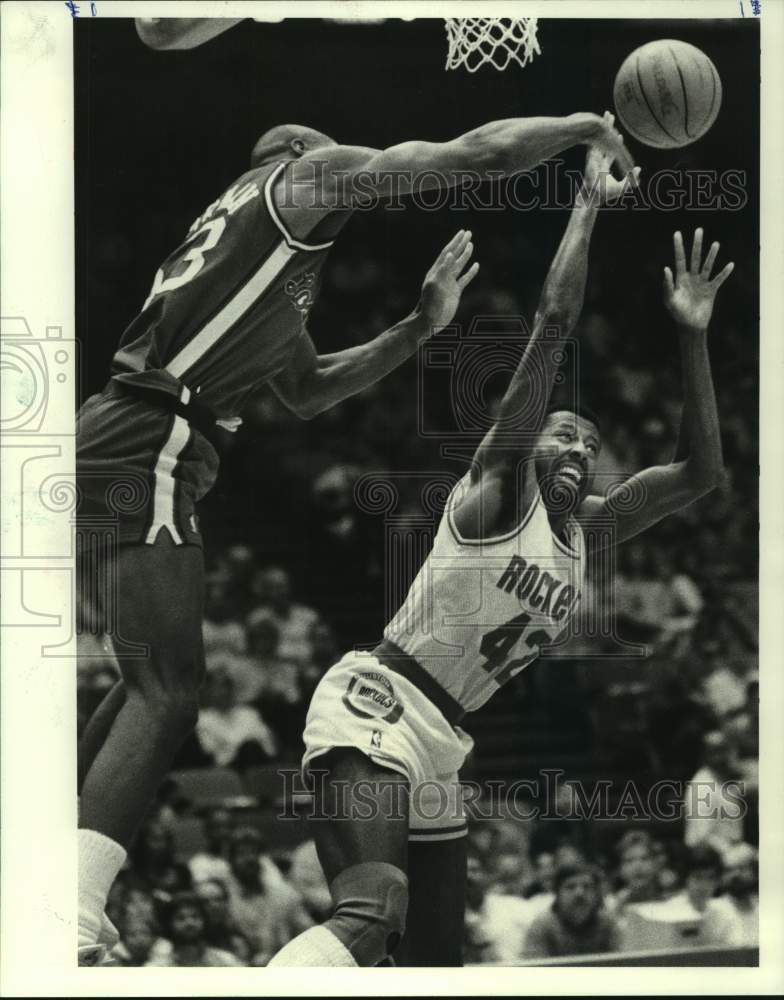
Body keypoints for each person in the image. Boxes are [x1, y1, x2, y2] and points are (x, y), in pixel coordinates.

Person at [76, 102, 634, 961]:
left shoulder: (259, 271)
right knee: (171, 693)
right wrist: (581, 129)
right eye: (331, 146)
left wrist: (418, 327)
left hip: (138, 438)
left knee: (144, 678)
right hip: (152, 437)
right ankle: (70, 905)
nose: (348, 155)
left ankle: (57, 858)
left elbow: (306, 391)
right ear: (297, 154)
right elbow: (470, 155)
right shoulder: (300, 177)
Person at [270, 131, 732, 967]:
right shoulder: (500, 487)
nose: (579, 449)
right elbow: (554, 324)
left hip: (444, 739)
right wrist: (586, 203)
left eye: (591, 445)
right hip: (378, 702)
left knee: (436, 965)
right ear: (531, 445)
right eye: (564, 434)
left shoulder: (587, 532)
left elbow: (701, 473)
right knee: (374, 914)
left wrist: (692, 334)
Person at [523, 862, 622, 959]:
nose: (579, 893)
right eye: (570, 887)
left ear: (597, 894)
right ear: (557, 894)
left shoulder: (608, 924)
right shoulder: (542, 926)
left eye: (587, 887)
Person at [146, 892, 241, 967]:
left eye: (195, 917)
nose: (189, 923)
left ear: (205, 921)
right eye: (181, 918)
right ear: (169, 925)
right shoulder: (158, 967)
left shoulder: (226, 962)